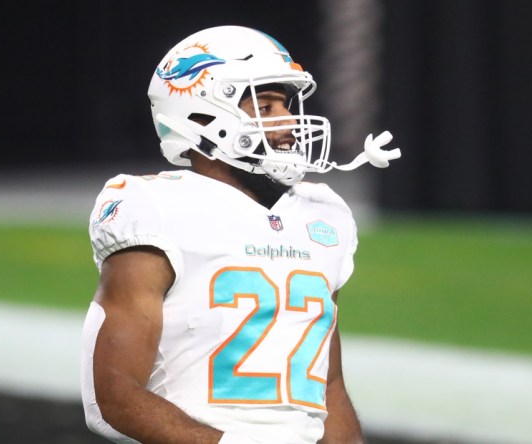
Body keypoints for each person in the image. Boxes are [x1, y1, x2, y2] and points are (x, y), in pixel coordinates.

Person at [80, 25, 400, 444]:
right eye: (265, 107)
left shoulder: (325, 215)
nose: (287, 122)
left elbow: (327, 386)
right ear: (200, 117)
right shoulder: (154, 205)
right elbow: (113, 397)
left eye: (286, 105)